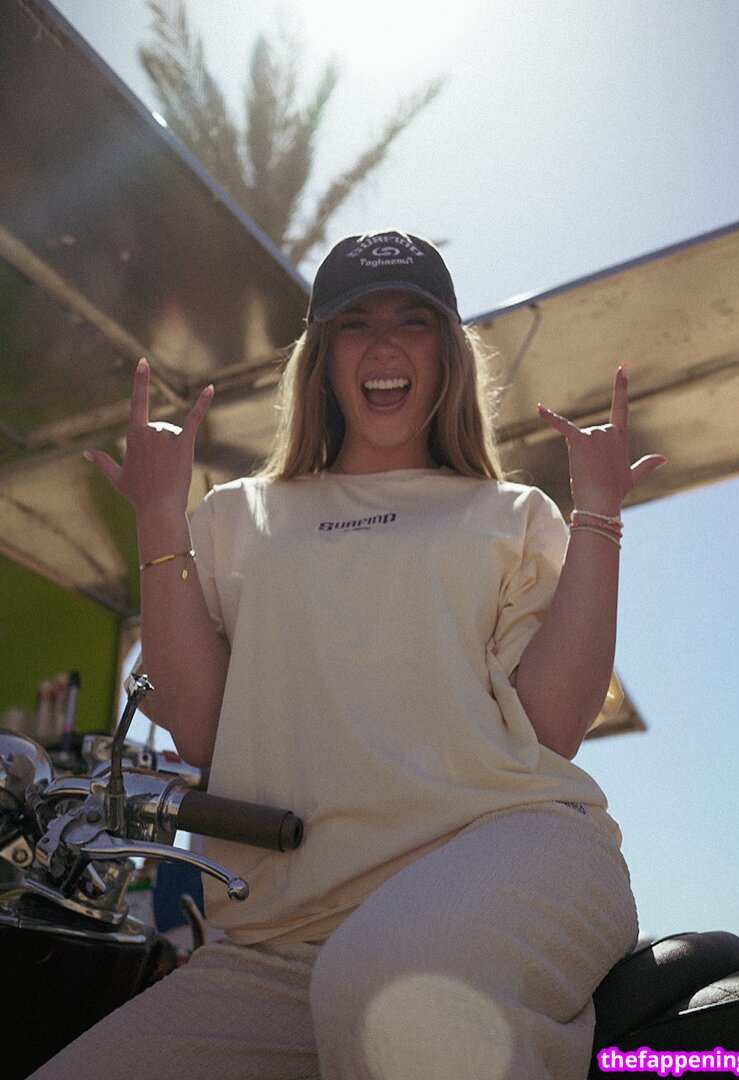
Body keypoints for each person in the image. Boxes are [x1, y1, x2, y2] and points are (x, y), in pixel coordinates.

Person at [37, 229, 665, 1080]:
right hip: (285, 944)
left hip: (512, 854)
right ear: (322, 358)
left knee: (383, 990)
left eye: (413, 320)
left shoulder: (511, 513)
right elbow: (202, 732)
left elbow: (552, 728)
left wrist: (598, 513)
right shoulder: (236, 516)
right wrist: (157, 514)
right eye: (355, 323)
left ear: (445, 355)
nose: (383, 344)